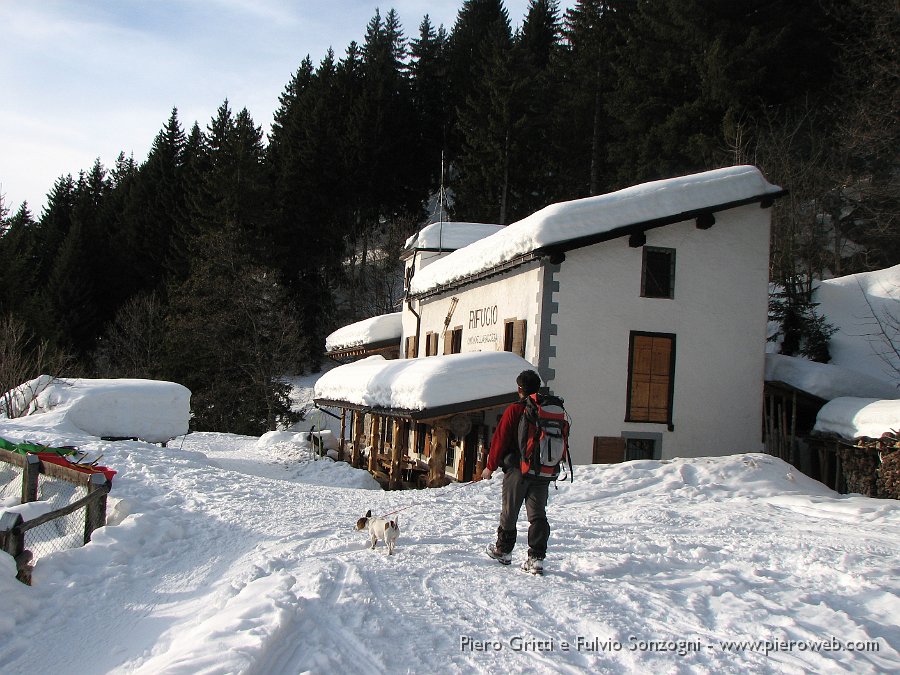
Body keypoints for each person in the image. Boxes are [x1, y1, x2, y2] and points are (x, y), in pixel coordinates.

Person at [482, 369, 549, 575]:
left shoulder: (515, 410)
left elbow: (499, 440)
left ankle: (503, 551)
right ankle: (536, 558)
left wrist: (490, 467)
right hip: (543, 471)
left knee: (510, 511)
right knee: (537, 515)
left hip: (518, 469)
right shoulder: (548, 410)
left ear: (520, 389)